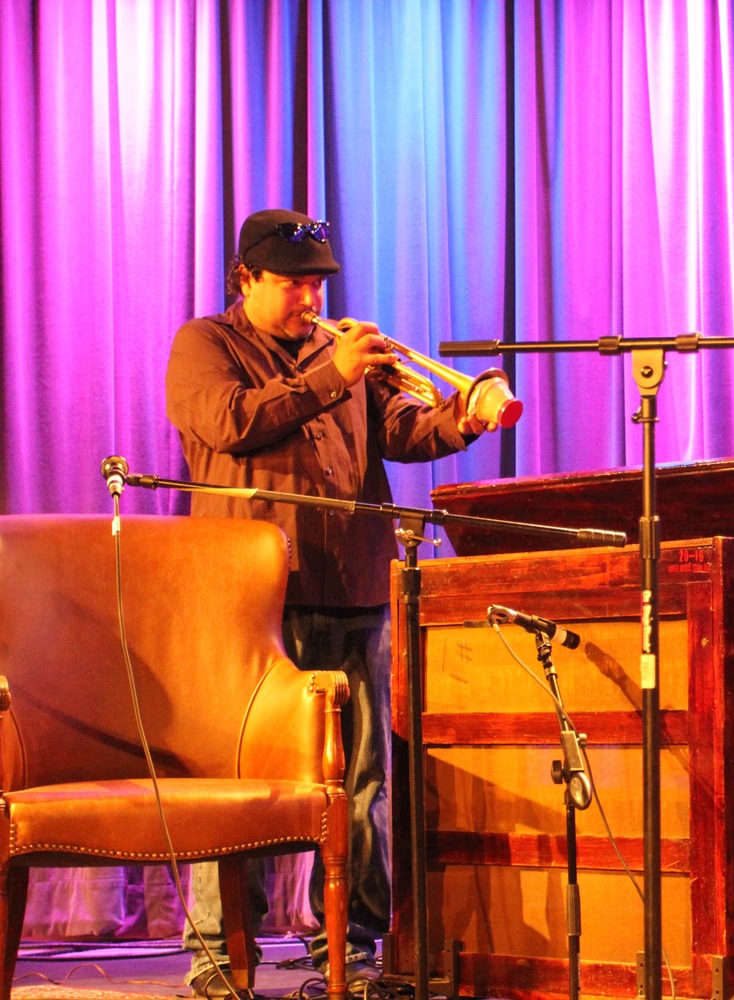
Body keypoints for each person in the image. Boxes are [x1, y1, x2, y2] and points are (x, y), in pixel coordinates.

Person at [165, 209, 501, 999]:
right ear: (246, 278)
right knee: (232, 780)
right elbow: (228, 424)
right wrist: (332, 376)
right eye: (292, 284)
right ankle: (219, 956)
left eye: (317, 282)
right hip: (246, 599)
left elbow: (402, 432)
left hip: (351, 589)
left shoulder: (337, 352)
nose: (310, 299)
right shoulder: (205, 346)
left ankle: (350, 954)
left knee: (360, 781)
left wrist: (464, 419)